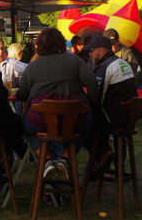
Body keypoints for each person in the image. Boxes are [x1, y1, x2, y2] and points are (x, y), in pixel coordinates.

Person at [16, 27, 98, 181]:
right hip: (74, 119)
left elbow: (22, 94)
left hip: (40, 120)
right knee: (88, 123)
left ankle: (46, 160)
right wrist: (90, 104)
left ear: (39, 45)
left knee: (24, 125)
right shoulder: (75, 61)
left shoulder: (33, 66)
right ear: (61, 43)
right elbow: (92, 83)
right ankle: (65, 158)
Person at [84, 34, 138, 172]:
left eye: (92, 50)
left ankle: (102, 155)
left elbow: (96, 99)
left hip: (115, 119)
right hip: (128, 117)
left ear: (102, 50)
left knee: (83, 123)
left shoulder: (105, 67)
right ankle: (116, 167)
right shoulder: (122, 62)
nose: (90, 54)